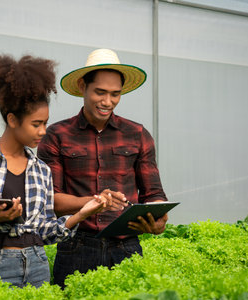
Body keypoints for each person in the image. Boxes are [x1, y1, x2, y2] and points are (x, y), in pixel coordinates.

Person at [0, 54, 108, 288]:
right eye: (36, 124)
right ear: (12, 120)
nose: (43, 131)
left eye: (46, 123)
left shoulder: (41, 169)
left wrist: (82, 213)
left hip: (37, 264)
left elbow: (45, 230)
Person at [37, 48, 168, 288]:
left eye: (115, 94)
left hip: (126, 247)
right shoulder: (56, 135)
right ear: (82, 87)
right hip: (76, 247)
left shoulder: (138, 134)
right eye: (100, 92)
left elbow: (154, 194)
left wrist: (158, 218)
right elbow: (50, 201)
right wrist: (96, 202)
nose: (108, 102)